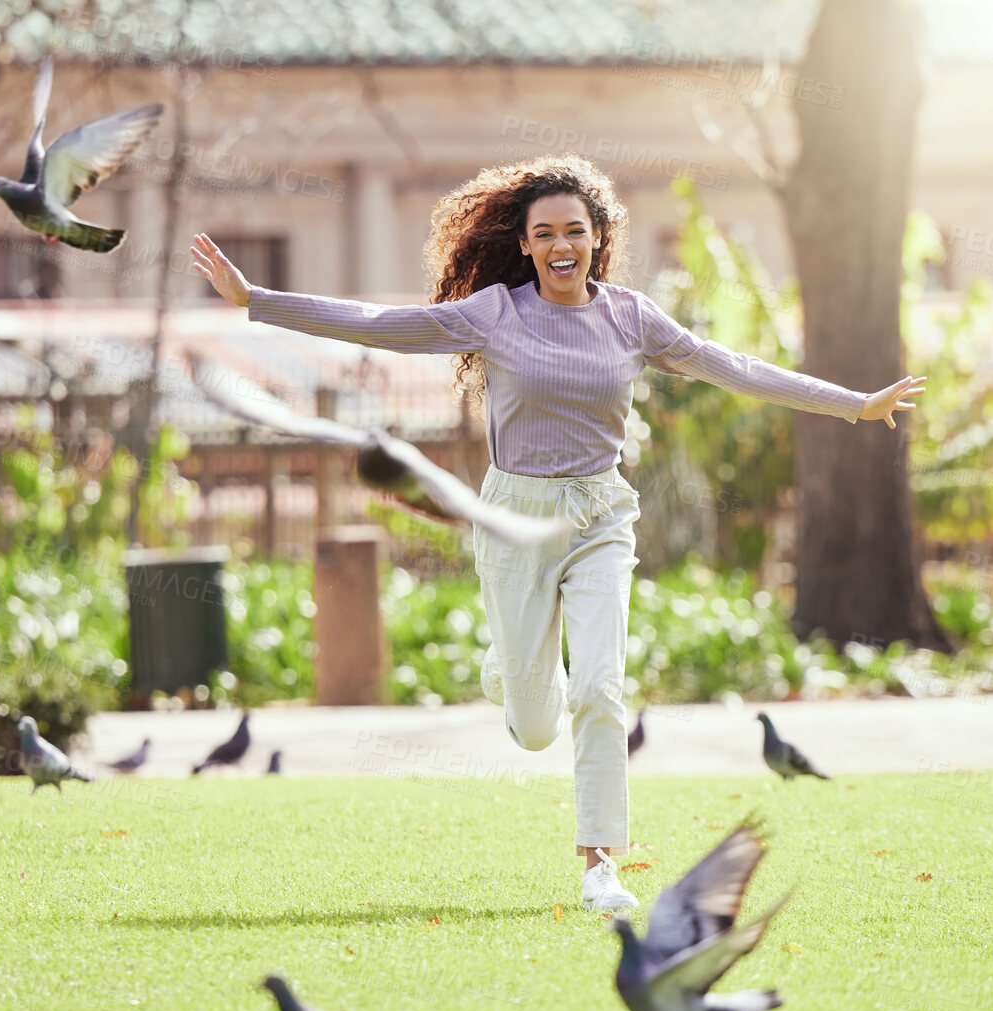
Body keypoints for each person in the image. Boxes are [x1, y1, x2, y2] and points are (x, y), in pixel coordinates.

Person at [191, 154, 923, 912]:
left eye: (575, 229)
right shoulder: (495, 314)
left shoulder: (630, 317)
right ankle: (510, 669)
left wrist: (853, 403)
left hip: (601, 514)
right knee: (534, 727)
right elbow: (384, 324)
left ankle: (599, 863)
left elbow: (729, 365)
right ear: (526, 245)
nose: (560, 244)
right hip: (516, 518)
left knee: (602, 687)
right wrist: (256, 300)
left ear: (597, 237)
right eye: (544, 233)